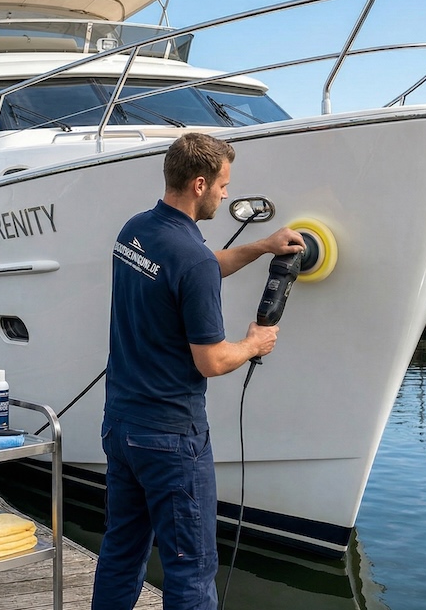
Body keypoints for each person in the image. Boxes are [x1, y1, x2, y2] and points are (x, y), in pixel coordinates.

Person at [92, 132, 306, 609]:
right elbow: (210, 361)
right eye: (224, 186)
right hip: (171, 438)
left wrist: (261, 246)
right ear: (200, 184)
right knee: (191, 571)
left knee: (122, 551)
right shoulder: (190, 258)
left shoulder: (136, 231)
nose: (227, 194)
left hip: (121, 426)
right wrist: (254, 343)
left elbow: (192, 269)